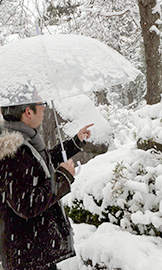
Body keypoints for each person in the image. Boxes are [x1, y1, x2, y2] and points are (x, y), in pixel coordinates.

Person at [0, 102, 93, 270]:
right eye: (40, 104)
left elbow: (40, 164)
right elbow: (26, 204)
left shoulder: (23, 140)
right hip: (28, 258)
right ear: (28, 112)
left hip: (32, 253)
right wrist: (62, 178)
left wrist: (75, 142)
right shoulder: (13, 152)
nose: (44, 108)